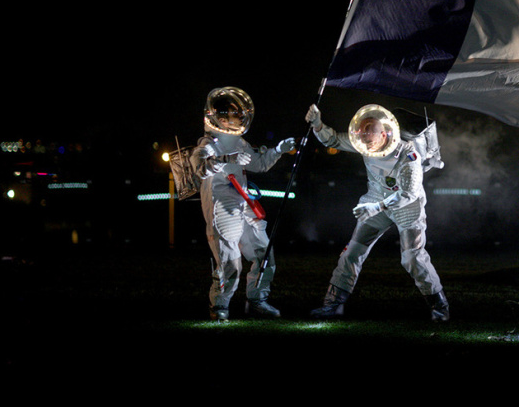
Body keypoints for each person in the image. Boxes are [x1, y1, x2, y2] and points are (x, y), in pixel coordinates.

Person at [305, 103, 449, 322]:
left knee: (412, 258)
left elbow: (409, 194)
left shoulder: (408, 154)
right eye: (361, 130)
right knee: (352, 252)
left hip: (405, 207)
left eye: (370, 129)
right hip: (375, 201)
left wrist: (377, 207)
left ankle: (440, 306)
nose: (364, 135)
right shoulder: (362, 144)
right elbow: (332, 139)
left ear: (385, 132)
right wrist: (317, 124)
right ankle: (332, 304)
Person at [191, 86, 296, 322]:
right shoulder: (208, 144)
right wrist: (227, 160)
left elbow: (258, 164)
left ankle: (257, 299)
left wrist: (278, 150)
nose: (239, 117)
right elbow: (200, 168)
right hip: (222, 205)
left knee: (263, 253)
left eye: (240, 113)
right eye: (234, 113)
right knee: (230, 261)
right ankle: (220, 306)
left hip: (244, 202)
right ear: (218, 116)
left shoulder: (239, 143)